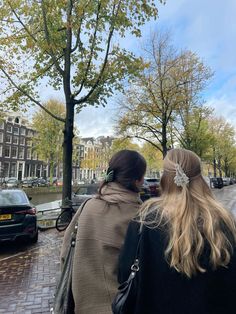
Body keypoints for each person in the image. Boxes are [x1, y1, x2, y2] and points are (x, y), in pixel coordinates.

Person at [118, 148, 236, 314]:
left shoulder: (146, 220)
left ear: (166, 177)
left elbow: (124, 273)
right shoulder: (223, 219)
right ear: (199, 176)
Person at [60, 149, 146, 314]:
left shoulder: (87, 207)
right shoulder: (140, 215)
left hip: (82, 306)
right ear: (137, 181)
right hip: (122, 307)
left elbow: (65, 253)